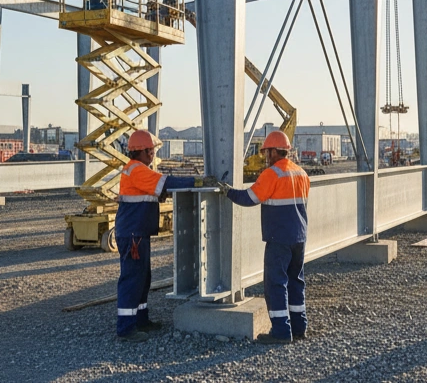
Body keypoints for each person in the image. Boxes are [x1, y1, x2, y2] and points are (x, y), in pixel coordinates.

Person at [115, 129, 213, 342]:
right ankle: (126, 328)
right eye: (151, 150)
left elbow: (155, 192)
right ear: (142, 151)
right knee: (133, 278)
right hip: (133, 234)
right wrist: (198, 182)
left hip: (137, 232)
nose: (153, 154)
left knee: (142, 278)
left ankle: (141, 319)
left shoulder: (136, 170)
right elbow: (166, 183)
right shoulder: (137, 170)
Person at [223, 129, 310, 344]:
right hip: (299, 237)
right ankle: (299, 328)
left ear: (272, 152)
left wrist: (228, 191)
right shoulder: (301, 173)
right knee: (295, 281)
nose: (265, 157)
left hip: (279, 238)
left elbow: (250, 197)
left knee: (276, 284)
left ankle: (281, 332)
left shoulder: (272, 174)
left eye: (266, 153)